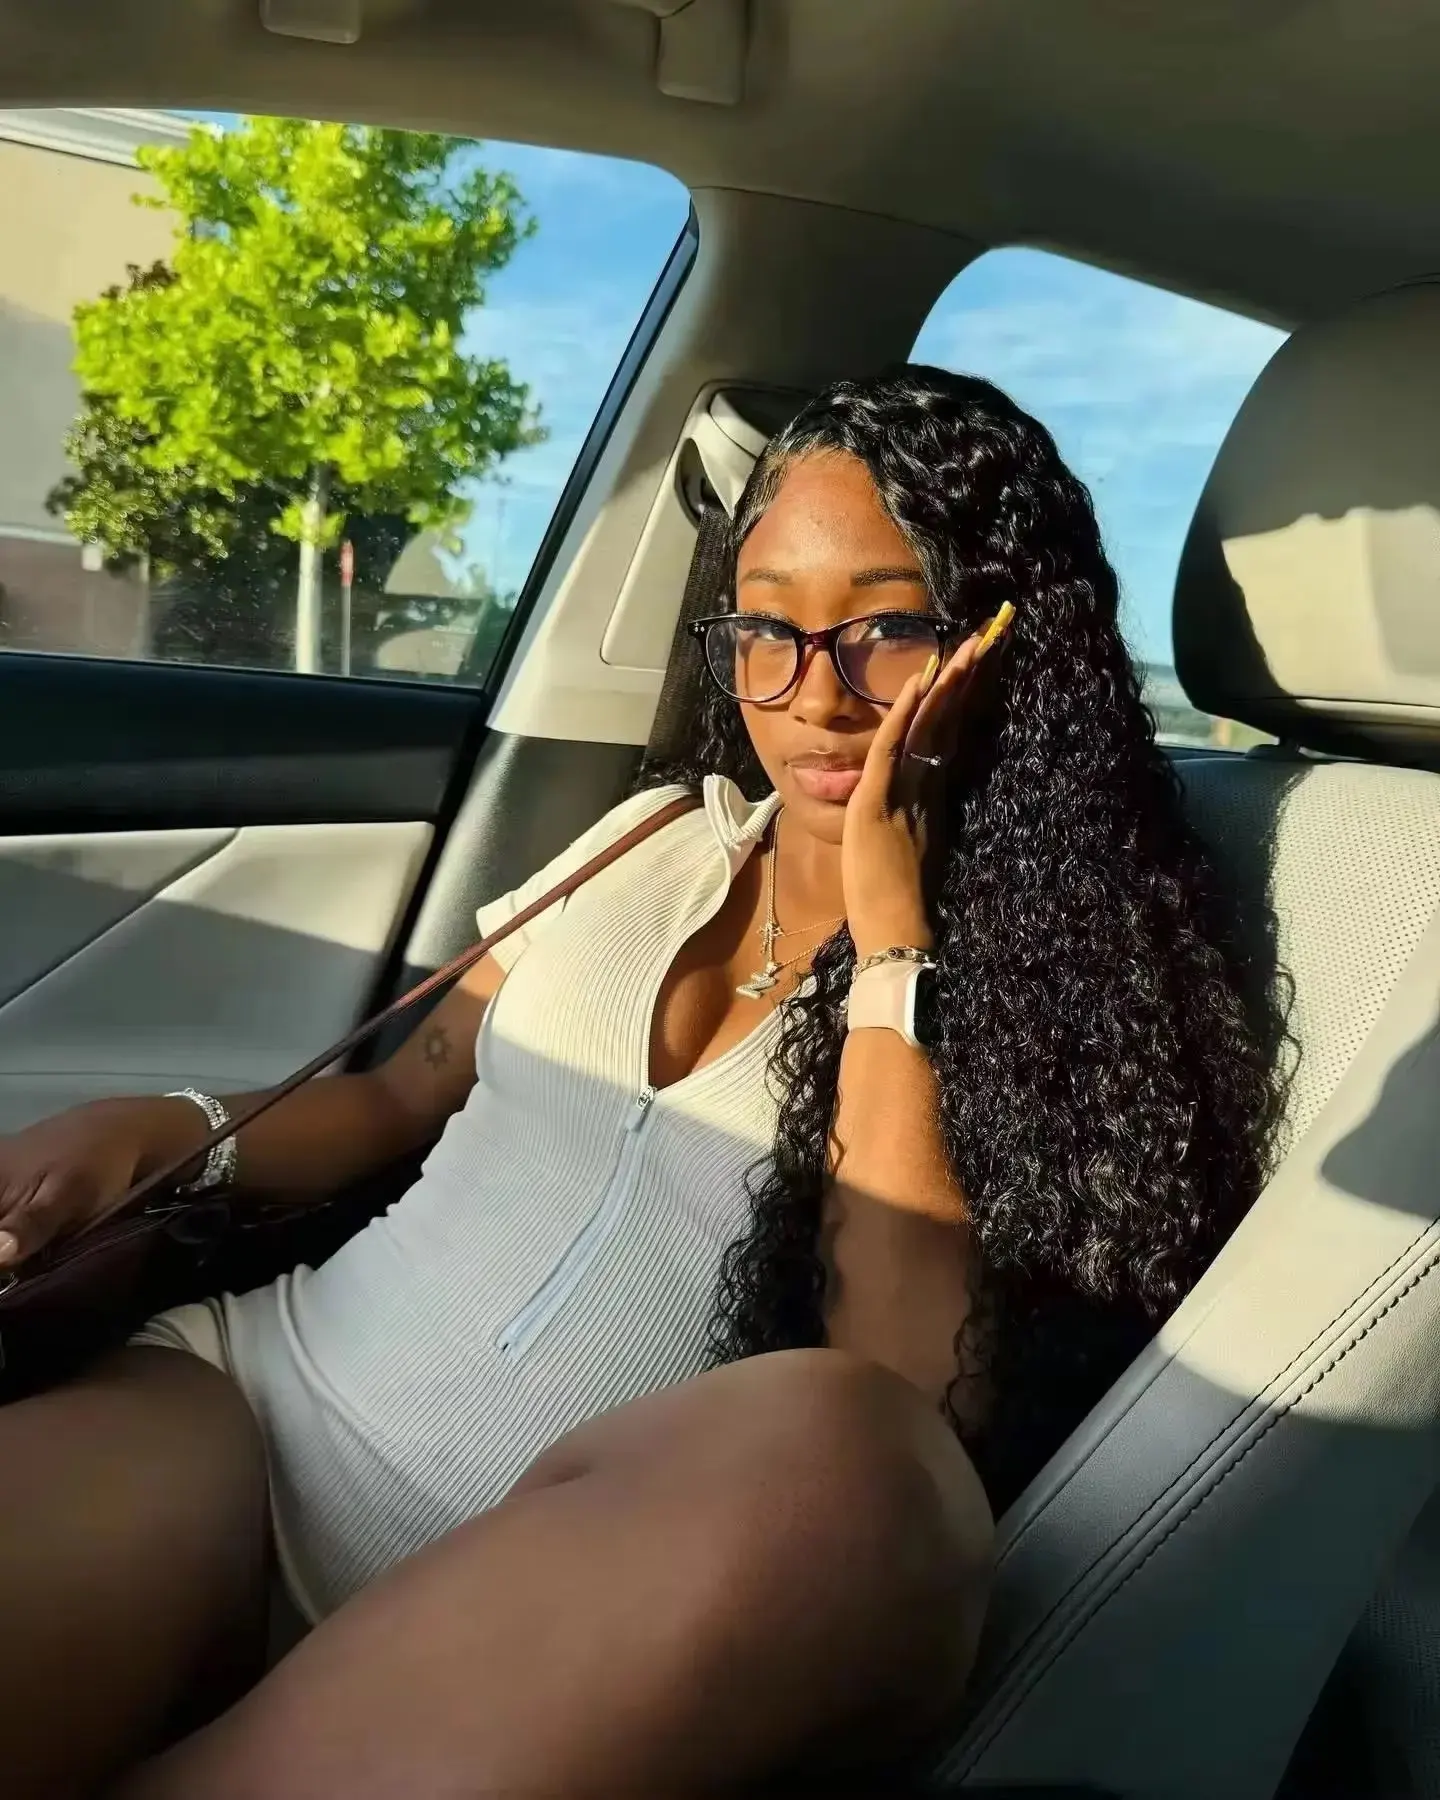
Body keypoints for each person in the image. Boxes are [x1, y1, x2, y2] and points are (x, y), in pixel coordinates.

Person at [0, 367, 1280, 1799]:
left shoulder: (1059, 982)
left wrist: (891, 932)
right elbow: (396, 1100)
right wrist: (159, 1128)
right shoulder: (654, 836)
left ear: (999, 640)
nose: (816, 696)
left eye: (887, 628)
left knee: (845, 1466)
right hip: (244, 1414)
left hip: (560, 1612)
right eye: (769, 630)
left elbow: (896, 1405)